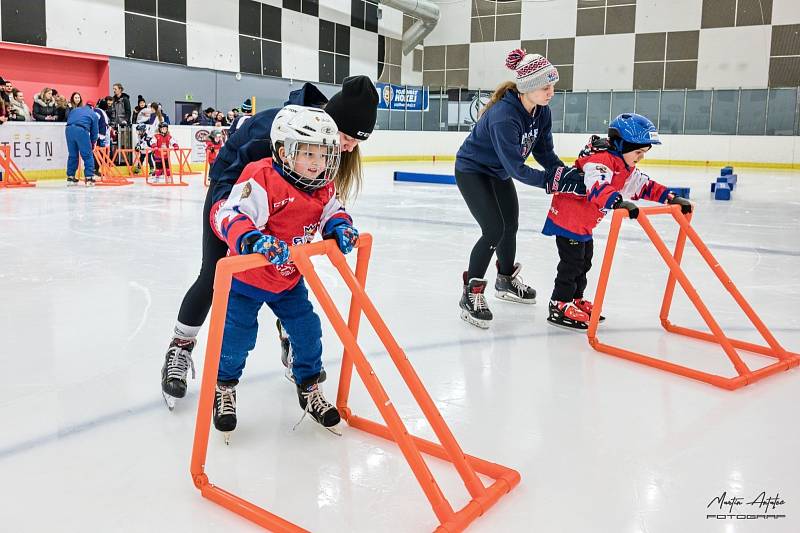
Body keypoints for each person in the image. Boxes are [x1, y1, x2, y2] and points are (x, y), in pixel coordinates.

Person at [159, 75, 378, 408]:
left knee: (288, 273)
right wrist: (238, 230)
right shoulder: (273, 131)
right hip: (235, 193)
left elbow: (324, 199)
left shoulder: (324, 151)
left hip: (279, 206)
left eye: (355, 143)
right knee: (215, 274)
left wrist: (336, 224)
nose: (348, 148)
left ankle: (291, 334)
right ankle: (180, 347)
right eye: (347, 138)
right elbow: (232, 186)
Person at [208, 106, 357, 438]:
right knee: (237, 338)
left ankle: (308, 386)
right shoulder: (262, 177)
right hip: (246, 282)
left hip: (289, 279)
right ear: (283, 151)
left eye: (322, 154)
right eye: (307, 153)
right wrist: (253, 239)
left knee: (307, 331)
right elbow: (228, 214)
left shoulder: (322, 185)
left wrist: (340, 228)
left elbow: (333, 211)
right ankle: (225, 386)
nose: (317, 163)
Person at [454, 49, 587, 329]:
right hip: (473, 171)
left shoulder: (541, 112)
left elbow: (544, 153)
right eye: (545, 87)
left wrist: (564, 173)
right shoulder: (505, 116)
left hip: (498, 172)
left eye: (553, 86)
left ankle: (505, 280)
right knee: (493, 229)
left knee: (510, 224)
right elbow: (517, 167)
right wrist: (552, 182)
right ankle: (471, 294)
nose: (551, 92)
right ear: (527, 87)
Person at [542, 113, 692, 330]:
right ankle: (559, 302)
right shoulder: (600, 162)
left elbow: (643, 185)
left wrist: (670, 197)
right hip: (569, 219)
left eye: (644, 153)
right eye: (638, 152)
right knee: (571, 264)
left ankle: (575, 298)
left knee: (584, 262)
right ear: (622, 145)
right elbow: (597, 187)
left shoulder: (623, 165)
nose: (641, 157)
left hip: (584, 224)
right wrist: (617, 202)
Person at [64, 97, 99, 186]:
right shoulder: (93, 114)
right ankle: (89, 177)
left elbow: (69, 118)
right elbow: (95, 132)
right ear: (93, 107)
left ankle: (70, 177)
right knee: (88, 155)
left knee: (72, 154)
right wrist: (92, 143)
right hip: (81, 130)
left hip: (68, 129)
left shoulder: (75, 110)